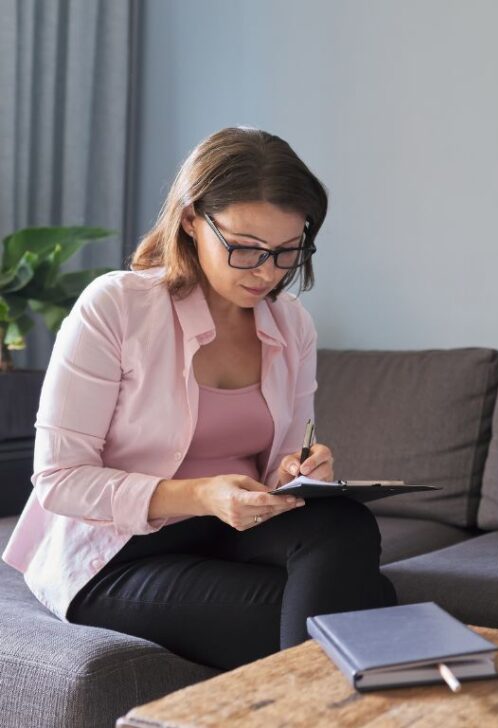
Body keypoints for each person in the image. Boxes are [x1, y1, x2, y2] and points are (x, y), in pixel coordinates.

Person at [2, 127, 396, 670]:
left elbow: (279, 468)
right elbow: (59, 479)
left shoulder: (291, 325)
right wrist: (202, 495)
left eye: (287, 251)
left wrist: (299, 471)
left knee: (344, 523)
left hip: (232, 528)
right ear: (191, 219)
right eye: (244, 249)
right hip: (117, 553)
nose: (266, 272)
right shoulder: (117, 307)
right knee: (356, 612)